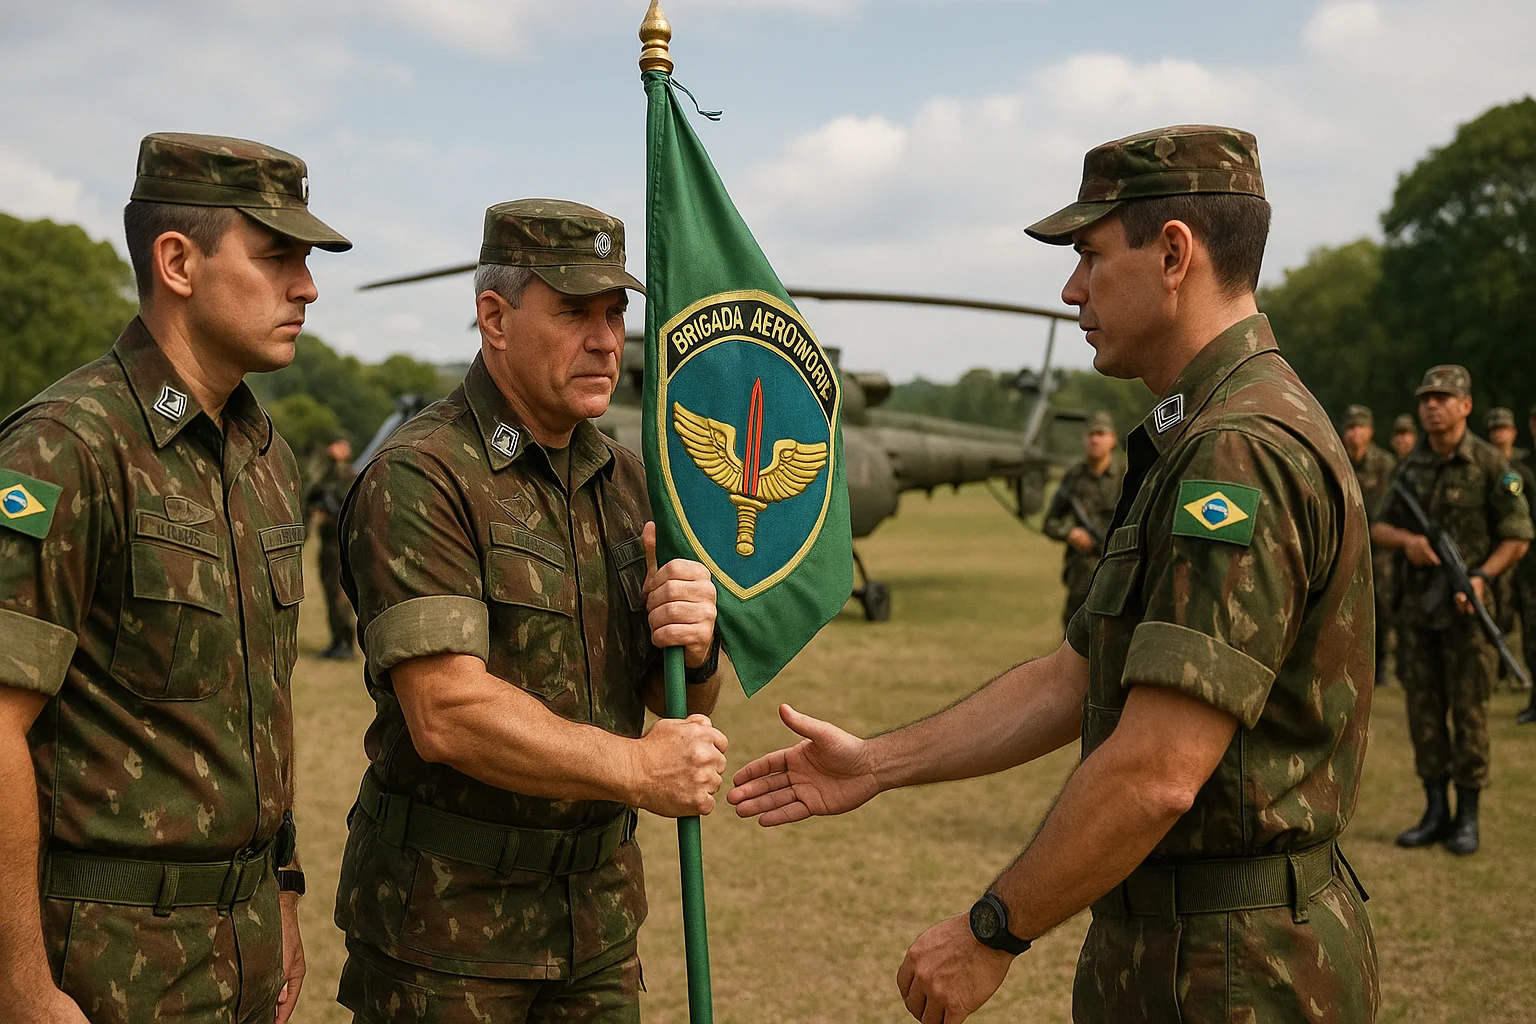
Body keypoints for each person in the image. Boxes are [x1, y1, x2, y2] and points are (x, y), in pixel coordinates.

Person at [730, 124, 1378, 1023]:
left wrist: (988, 930)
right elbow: (1073, 676)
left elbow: (1158, 769)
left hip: (1232, 973)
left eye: (1090, 255)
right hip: (1186, 953)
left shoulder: (1237, 451)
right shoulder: (1202, 433)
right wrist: (877, 764)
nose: (1072, 290)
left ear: (1175, 254)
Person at [334, 199, 729, 1024]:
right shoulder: (423, 475)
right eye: (575, 311)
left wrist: (695, 644)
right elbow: (446, 713)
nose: (607, 340)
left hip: (598, 924)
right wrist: (637, 771)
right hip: (449, 937)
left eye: (616, 313)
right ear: (494, 318)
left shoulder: (629, 480)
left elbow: (673, 696)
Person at [0, 133, 349, 1024]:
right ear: (177, 262)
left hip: (241, 946)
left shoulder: (262, 452)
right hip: (107, 965)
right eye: (277, 258)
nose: (306, 287)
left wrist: (283, 893)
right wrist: (24, 987)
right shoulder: (69, 446)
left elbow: (260, 709)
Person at [1373, 369, 1532, 856]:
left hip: (1469, 618)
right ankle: (1434, 811)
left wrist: (1482, 576)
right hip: (1418, 617)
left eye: (1443, 398)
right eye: (1426, 398)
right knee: (1424, 715)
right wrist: (1410, 543)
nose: (1432, 406)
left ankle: (1467, 816)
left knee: (1469, 716)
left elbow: (1518, 536)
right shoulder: (1409, 466)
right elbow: (1378, 526)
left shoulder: (1490, 465)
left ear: (1466, 405)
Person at [1041, 412, 1125, 629]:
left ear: (1112, 439)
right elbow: (1049, 523)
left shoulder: (1127, 474)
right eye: (1091, 434)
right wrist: (1070, 533)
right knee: (1075, 637)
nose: (1095, 439)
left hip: (1120, 569)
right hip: (1082, 574)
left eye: (1101, 433)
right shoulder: (1074, 477)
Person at [1341, 405, 1397, 684]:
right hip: (1347, 545)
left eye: (1359, 427)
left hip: (1379, 548)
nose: (1354, 433)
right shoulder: (1337, 457)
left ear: (1370, 432)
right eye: (1350, 427)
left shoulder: (1385, 463)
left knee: (1382, 607)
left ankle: (1381, 665)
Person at [304, 431, 358, 659]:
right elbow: (313, 491)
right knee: (328, 593)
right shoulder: (327, 475)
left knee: (339, 595)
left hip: (340, 547)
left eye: (341, 445)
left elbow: (348, 505)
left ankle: (346, 643)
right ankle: (336, 640)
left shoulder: (349, 476)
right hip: (327, 545)